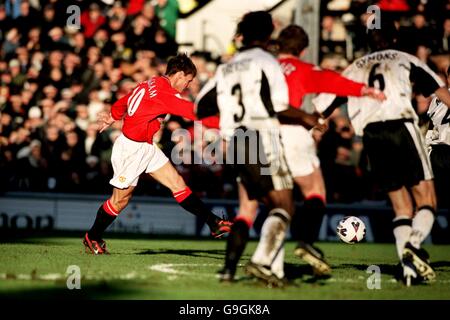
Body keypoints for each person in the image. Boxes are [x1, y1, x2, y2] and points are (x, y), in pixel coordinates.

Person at [313, 21, 450, 286]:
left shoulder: (354, 67)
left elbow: (321, 111)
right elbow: (441, 92)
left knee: (401, 206)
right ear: (395, 38)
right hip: (402, 127)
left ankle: (408, 271)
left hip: (372, 136)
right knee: (427, 201)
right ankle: (414, 243)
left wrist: (312, 128)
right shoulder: (404, 59)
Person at [244, 24, 387, 277]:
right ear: (303, 48)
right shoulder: (303, 69)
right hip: (290, 134)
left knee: (280, 204)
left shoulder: (262, 67)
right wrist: (365, 90)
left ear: (278, 45)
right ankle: (306, 241)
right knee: (315, 191)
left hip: (256, 137)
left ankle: (269, 264)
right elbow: (333, 81)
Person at [197, 11, 323, 285]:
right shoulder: (268, 61)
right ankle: (261, 261)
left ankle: (229, 271)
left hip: (235, 142)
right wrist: (307, 117)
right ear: (268, 35)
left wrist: (230, 119)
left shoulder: (227, 66)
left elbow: (200, 106)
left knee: (247, 207)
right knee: (284, 205)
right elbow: (278, 107)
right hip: (262, 137)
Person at [83, 53, 232, 255]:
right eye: (188, 80)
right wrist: (228, 124)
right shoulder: (165, 95)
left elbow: (125, 100)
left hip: (147, 147)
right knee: (120, 201)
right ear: (179, 74)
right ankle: (92, 237)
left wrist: (113, 115)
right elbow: (195, 113)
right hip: (131, 150)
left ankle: (213, 223)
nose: (187, 85)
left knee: (178, 184)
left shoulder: (150, 83)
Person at [426, 66, 450, 215]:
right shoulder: (437, 99)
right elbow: (431, 125)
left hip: (441, 149)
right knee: (438, 196)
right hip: (438, 150)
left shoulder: (439, 98)